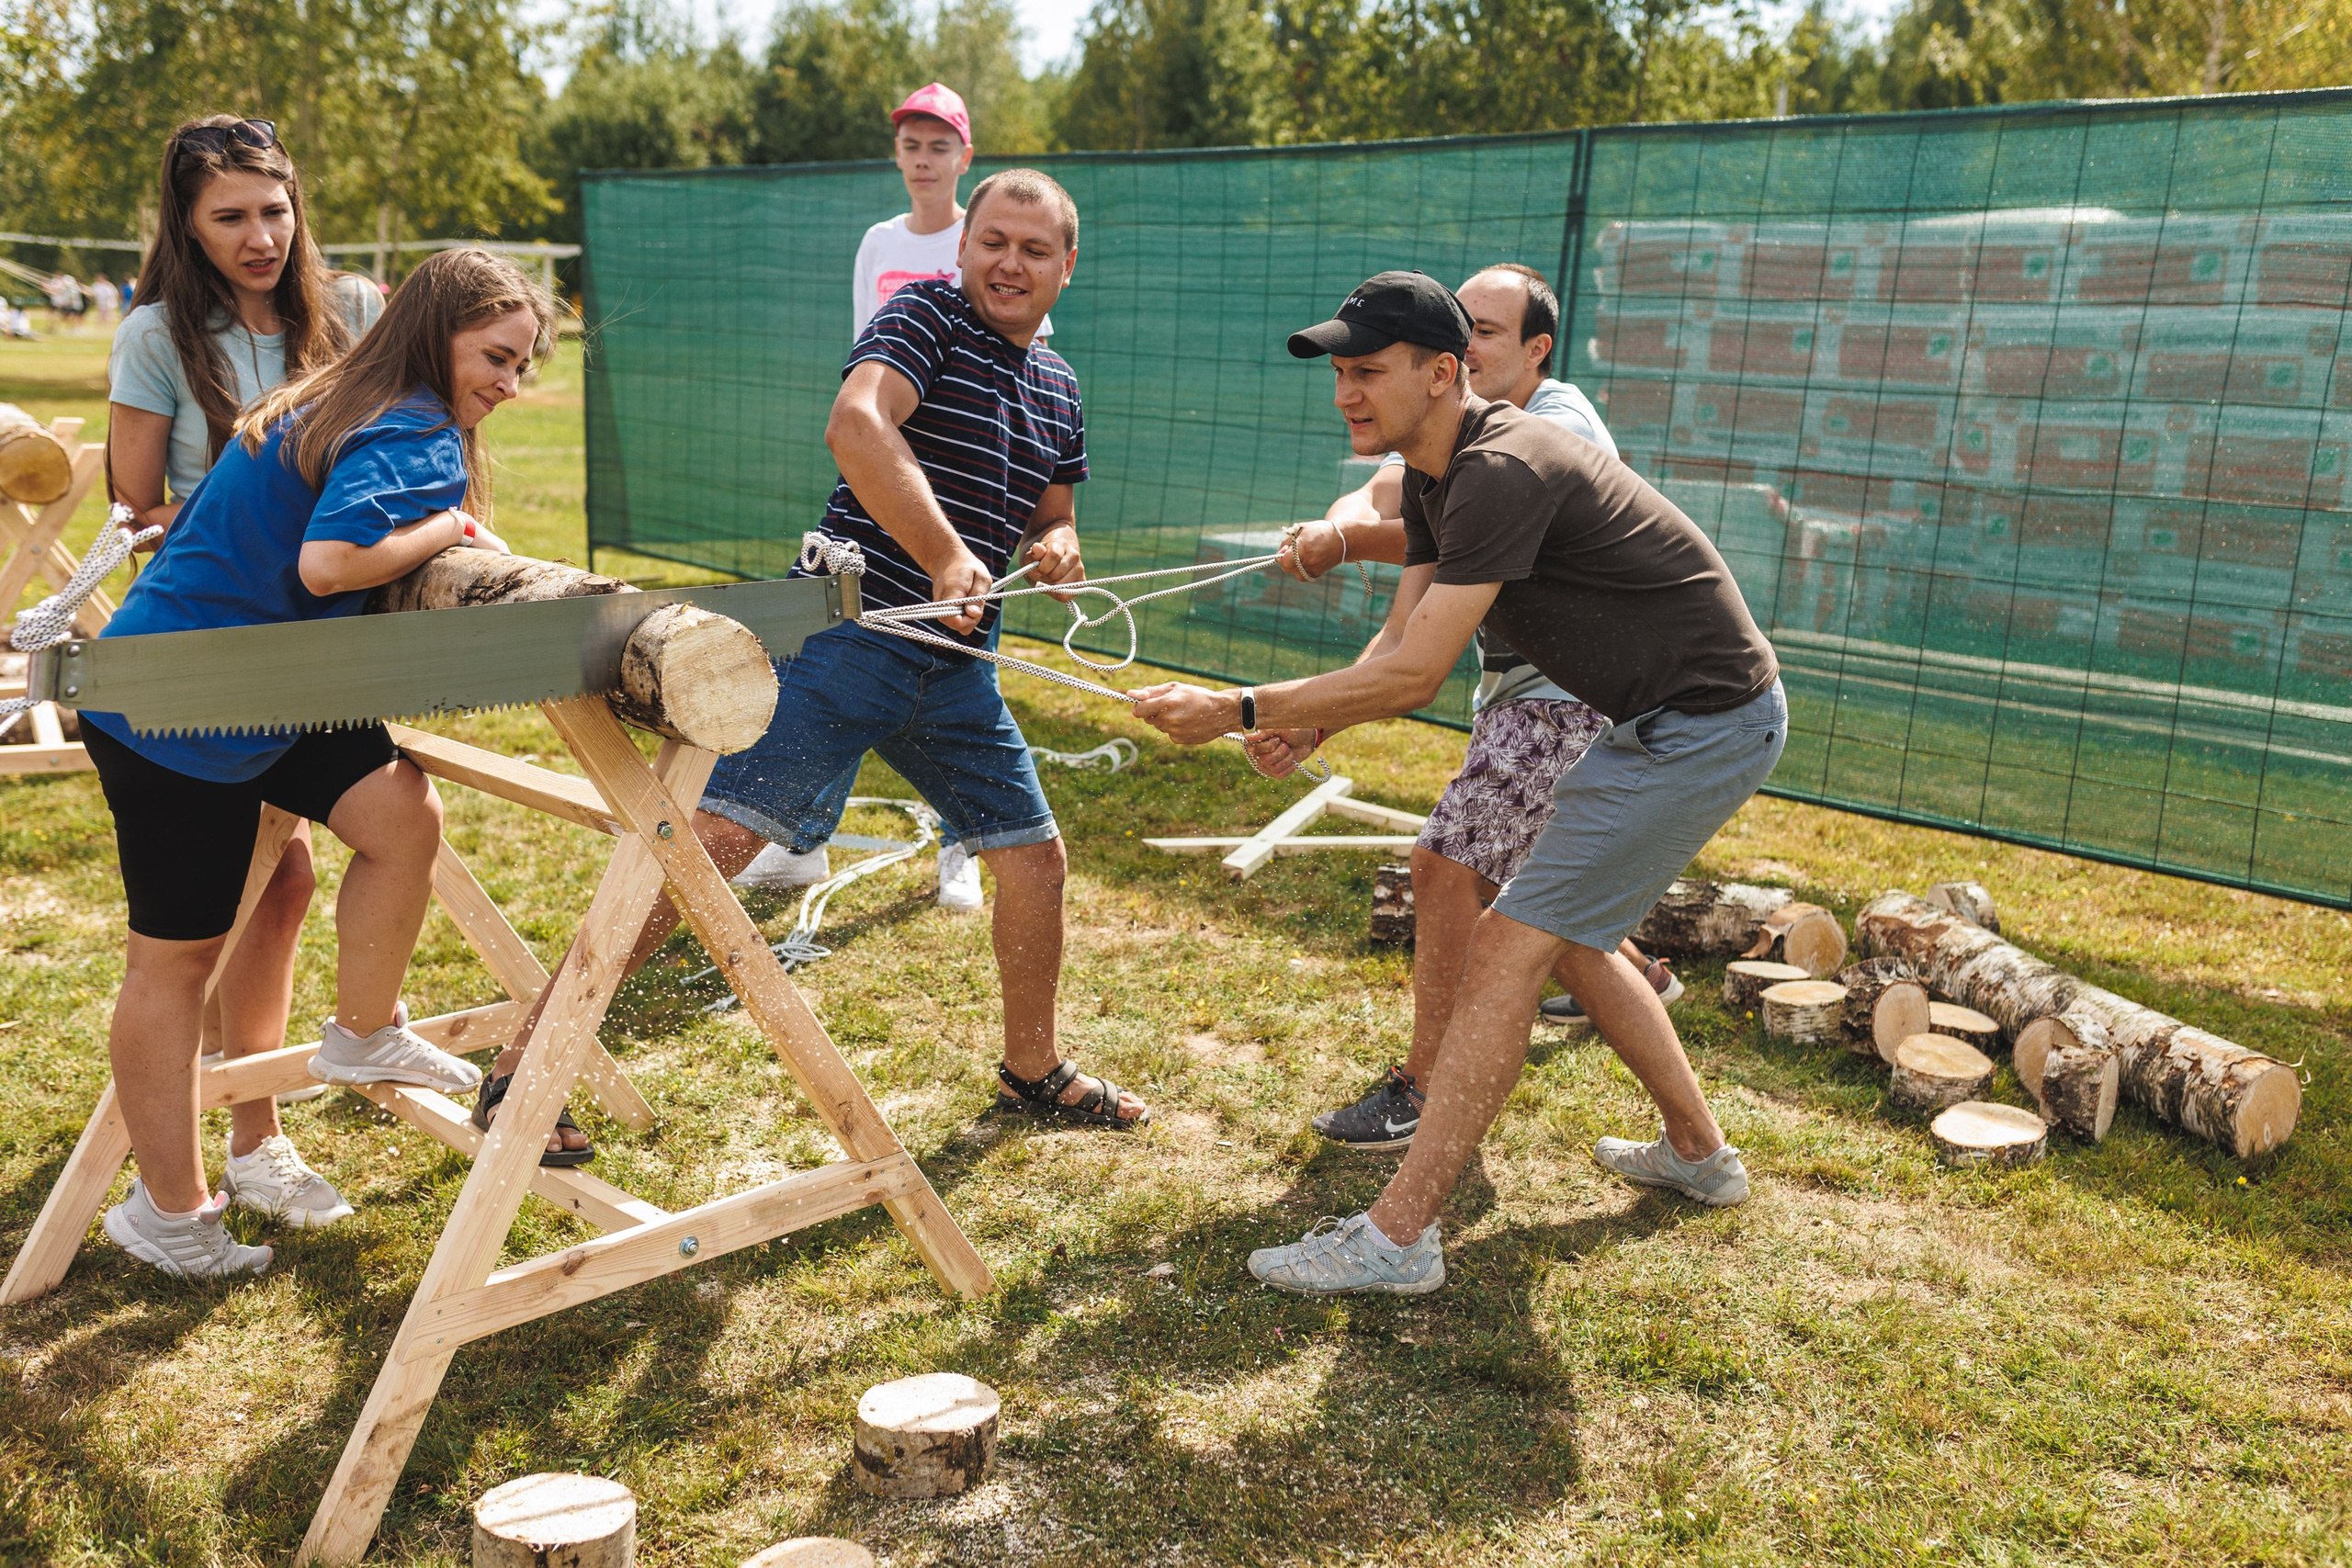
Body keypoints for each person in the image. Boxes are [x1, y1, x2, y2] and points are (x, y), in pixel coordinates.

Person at [1133, 271, 1784, 1293]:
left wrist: (1236, 708)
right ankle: (1700, 1156)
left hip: (1704, 727)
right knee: (1562, 944)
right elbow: (1403, 642)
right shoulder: (1442, 477)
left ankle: (1396, 1240)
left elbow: (1419, 676)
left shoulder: (1503, 466)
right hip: (1656, 724)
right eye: (1340, 374)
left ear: (1443, 374)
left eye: (1369, 372)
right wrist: (1310, 717)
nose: (1347, 393)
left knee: (1505, 947)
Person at [480, 168, 1144, 1159]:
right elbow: (857, 425)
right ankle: (521, 1069)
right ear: (962, 245)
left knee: (1032, 860)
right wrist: (947, 555)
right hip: (846, 635)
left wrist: (1058, 547)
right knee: (704, 848)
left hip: (956, 664)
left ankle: (1032, 1071)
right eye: (994, 240)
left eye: (1034, 248)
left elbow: (1053, 508)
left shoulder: (1059, 383)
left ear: (1067, 267)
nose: (1010, 262)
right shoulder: (924, 317)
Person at [82, 247, 551, 1279]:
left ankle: (361, 1030)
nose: (509, 387)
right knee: (174, 964)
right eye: (497, 358)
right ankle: (169, 1214)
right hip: (175, 709)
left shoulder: (333, 396)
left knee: (400, 815)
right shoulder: (412, 426)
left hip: (264, 686)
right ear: (438, 335)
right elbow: (329, 565)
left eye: (522, 367)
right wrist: (449, 521)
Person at [1283, 263, 1682, 1154]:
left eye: (1484, 333)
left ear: (1532, 352)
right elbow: (1398, 617)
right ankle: (1695, 1132)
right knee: (1559, 928)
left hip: (1567, 694)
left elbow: (1412, 642)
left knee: (1445, 868)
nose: (1466, 343)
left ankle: (1423, 1090)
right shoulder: (1442, 453)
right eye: (1458, 324)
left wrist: (1341, 542)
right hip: (1534, 689)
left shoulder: (1540, 435)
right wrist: (1316, 717)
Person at [102, 115, 386, 1226]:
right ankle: (204, 1168)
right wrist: (251, 521)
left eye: (275, 211)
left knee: (296, 877)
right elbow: (134, 511)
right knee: (216, 913)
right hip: (205, 650)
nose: (261, 236)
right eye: (231, 218)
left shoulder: (354, 311)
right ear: (187, 223)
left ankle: (258, 1128)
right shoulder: (157, 337)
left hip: (316, 647)